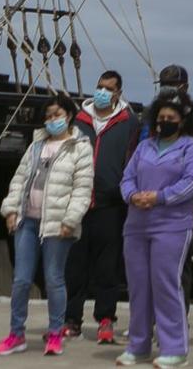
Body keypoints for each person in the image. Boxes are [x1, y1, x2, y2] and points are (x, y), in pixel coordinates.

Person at [0, 93, 95, 356]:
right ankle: (16, 334)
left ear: (69, 115)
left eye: (57, 115)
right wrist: (11, 210)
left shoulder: (80, 147)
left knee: (54, 278)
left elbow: (82, 189)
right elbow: (20, 179)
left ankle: (55, 333)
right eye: (48, 116)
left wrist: (70, 220)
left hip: (57, 223)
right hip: (28, 220)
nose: (52, 121)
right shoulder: (36, 146)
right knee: (21, 280)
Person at [117, 93, 193, 368]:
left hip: (172, 227)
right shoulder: (144, 147)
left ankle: (174, 349)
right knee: (138, 287)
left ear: (182, 120)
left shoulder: (191, 148)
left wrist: (159, 197)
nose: (164, 122)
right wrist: (132, 196)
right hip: (136, 225)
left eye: (171, 118)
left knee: (166, 285)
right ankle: (138, 345)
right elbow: (127, 178)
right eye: (161, 118)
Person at [66, 70, 137, 344]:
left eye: (108, 88)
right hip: (80, 201)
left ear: (118, 93)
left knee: (107, 267)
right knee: (75, 265)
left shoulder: (127, 122)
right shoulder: (79, 120)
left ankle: (105, 319)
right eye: (99, 86)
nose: (102, 92)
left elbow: (132, 158)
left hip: (110, 203)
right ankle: (71, 319)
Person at [155, 64, 193, 149]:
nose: (166, 89)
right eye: (163, 85)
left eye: (171, 85)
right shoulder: (154, 114)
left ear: (185, 87)